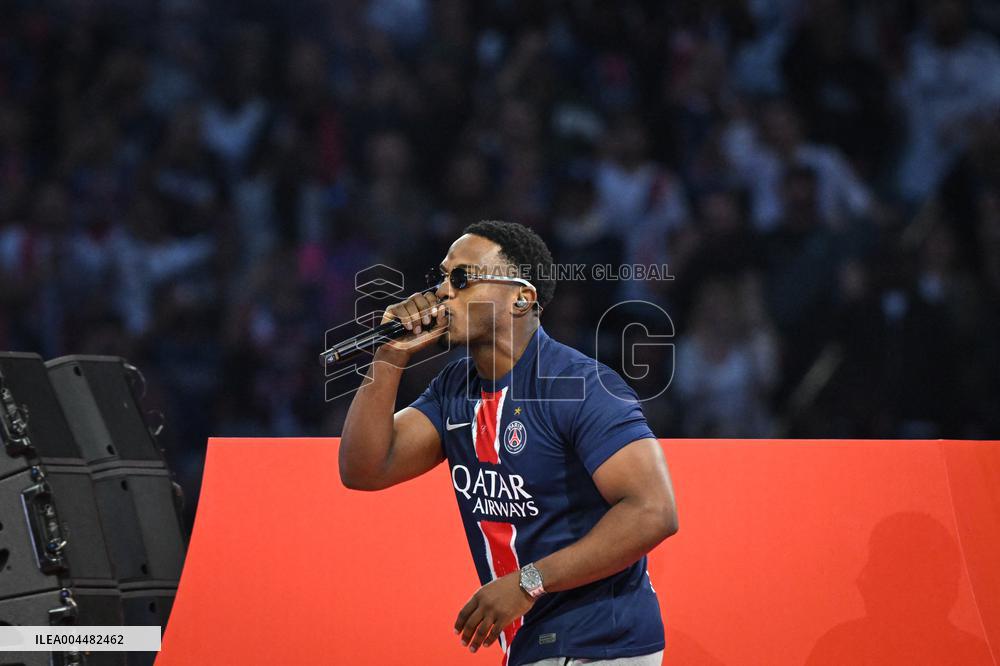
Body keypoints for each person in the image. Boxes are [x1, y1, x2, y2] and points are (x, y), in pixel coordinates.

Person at [339, 220, 678, 666]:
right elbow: (364, 469)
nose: (441, 292)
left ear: (521, 299)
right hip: (533, 644)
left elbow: (654, 512)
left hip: (598, 641)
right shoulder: (454, 388)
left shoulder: (579, 384)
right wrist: (389, 356)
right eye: (441, 278)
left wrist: (527, 582)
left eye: (462, 278)